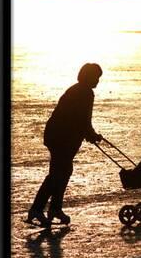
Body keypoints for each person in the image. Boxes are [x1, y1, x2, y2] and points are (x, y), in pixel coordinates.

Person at [27, 63, 103, 227]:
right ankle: (37, 209)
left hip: (59, 136)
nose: (98, 81)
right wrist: (92, 135)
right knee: (57, 174)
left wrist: (89, 134)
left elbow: (80, 120)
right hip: (61, 138)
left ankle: (54, 208)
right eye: (96, 77)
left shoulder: (77, 89)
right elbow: (82, 119)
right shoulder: (84, 93)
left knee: (62, 172)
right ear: (89, 76)